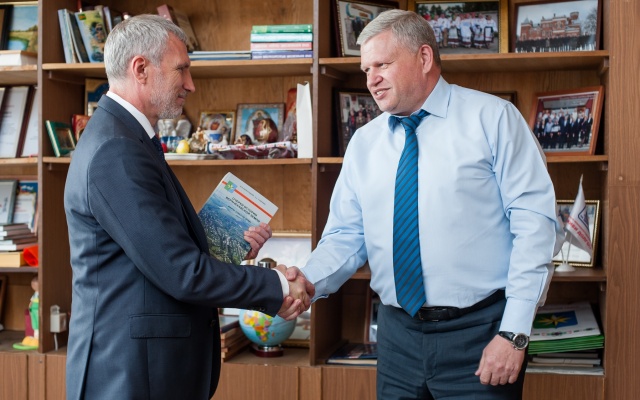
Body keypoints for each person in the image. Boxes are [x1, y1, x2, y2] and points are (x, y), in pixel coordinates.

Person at [285, 9, 562, 399]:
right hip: (396, 337)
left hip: (481, 334)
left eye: (382, 64)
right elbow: (346, 236)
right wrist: (305, 282)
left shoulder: (494, 119)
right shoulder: (364, 143)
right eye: (366, 69)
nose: (371, 79)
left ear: (425, 58)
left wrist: (513, 333)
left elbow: (536, 228)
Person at [63, 15, 313, 400]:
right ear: (140, 69)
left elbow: (153, 254)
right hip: (131, 375)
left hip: (144, 370)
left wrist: (227, 247)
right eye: (181, 69)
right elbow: (180, 271)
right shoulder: (117, 149)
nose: (190, 84)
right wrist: (277, 285)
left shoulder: (127, 138)